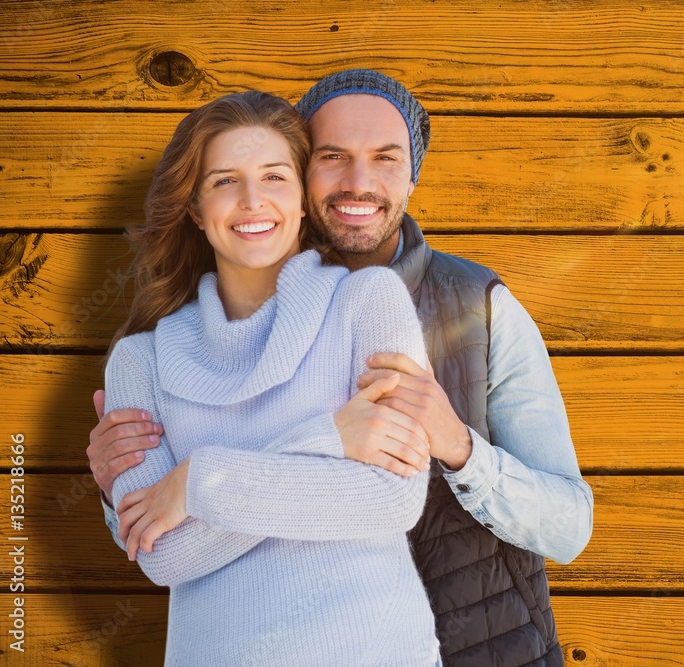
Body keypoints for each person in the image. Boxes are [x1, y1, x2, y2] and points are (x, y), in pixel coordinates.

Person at [89, 70, 594, 666]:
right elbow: (161, 544)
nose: (359, 181)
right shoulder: (152, 352)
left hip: (483, 646)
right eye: (333, 156)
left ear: (413, 174)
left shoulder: (471, 306)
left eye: (385, 157)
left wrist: (457, 444)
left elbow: (559, 524)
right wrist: (125, 490)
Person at [101, 89, 440, 665]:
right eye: (224, 181)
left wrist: (198, 484)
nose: (253, 201)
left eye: (275, 177)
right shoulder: (141, 361)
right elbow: (163, 553)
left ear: (304, 199)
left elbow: (392, 498)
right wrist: (326, 440)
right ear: (194, 208)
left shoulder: (368, 302)